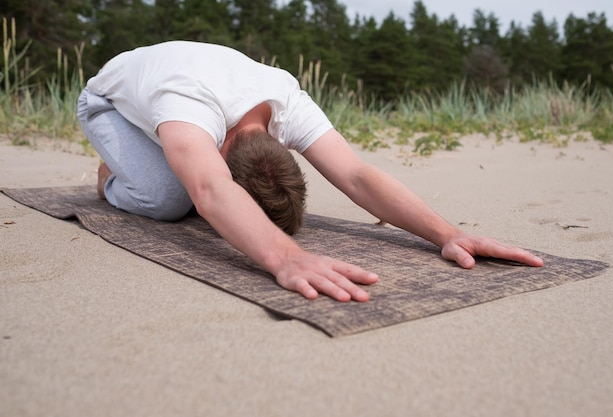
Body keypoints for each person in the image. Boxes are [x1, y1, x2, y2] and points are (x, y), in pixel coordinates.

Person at [77, 41, 543, 302]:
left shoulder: (285, 99)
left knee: (189, 184)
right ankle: (110, 175)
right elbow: (210, 188)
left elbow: (358, 175)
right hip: (110, 102)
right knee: (169, 200)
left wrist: (447, 233)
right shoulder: (187, 104)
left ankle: (150, 161)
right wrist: (285, 258)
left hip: (178, 106)